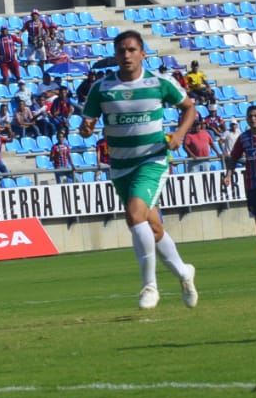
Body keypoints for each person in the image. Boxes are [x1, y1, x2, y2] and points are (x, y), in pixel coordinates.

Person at [79, 29, 199, 310]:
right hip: (121, 166)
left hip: (152, 160)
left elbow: (189, 107)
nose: (127, 55)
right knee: (152, 227)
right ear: (115, 55)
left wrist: (180, 134)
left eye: (132, 50)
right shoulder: (102, 88)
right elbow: (87, 125)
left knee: (134, 216)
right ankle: (184, 272)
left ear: (143, 53)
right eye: (121, 51)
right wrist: (85, 129)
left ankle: (150, 287)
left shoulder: (160, 83)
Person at [223, 105, 256, 264]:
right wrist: (228, 174)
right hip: (254, 184)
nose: (253, 118)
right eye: (250, 116)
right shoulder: (243, 138)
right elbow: (233, 157)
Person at [21, 9, 53, 73]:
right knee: (31, 58)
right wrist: (19, 36)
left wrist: (46, 36)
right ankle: (31, 71)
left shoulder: (42, 22)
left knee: (43, 57)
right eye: (33, 15)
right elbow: (22, 30)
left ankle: (41, 68)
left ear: (38, 15)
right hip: (31, 42)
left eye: (36, 15)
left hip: (40, 41)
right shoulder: (28, 23)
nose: (34, 16)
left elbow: (47, 31)